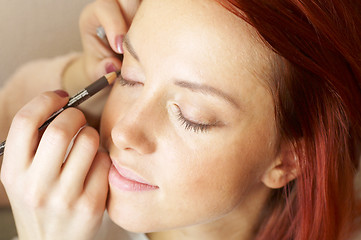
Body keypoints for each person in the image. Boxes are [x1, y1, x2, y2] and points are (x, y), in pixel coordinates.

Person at [1, 0, 360, 239]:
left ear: (289, 157)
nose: (125, 131)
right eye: (130, 77)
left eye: (192, 116)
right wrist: (83, 70)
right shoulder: (63, 191)